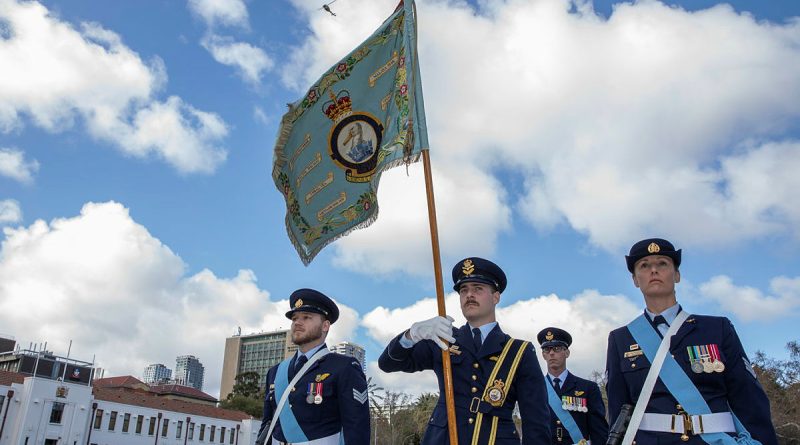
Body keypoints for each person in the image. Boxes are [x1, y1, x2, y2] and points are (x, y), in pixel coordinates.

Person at [605, 238, 778, 445]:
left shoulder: (717, 329)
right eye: (644, 265)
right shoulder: (621, 338)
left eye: (662, 263)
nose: (653, 270)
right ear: (635, 279)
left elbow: (748, 399)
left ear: (676, 275)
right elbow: (618, 408)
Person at [378, 257, 551, 444]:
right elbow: (387, 364)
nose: (469, 295)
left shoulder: (519, 351)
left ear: (496, 296)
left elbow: (536, 421)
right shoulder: (443, 339)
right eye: (464, 290)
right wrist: (412, 334)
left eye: (478, 288)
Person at [256, 288, 369, 445]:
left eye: (306, 317)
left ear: (325, 326)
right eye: (294, 318)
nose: (297, 322)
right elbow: (268, 425)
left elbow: (357, 431)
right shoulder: (275, 372)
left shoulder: (344, 367)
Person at [538, 327, 608, 445]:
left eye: (557, 348)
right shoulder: (536, 389)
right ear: (543, 355)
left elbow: (599, 431)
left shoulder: (588, 388)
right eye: (546, 349)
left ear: (567, 353)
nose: (551, 353)